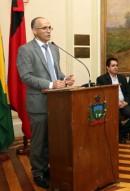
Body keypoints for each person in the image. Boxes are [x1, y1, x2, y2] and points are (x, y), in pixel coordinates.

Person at [16, 17, 75, 189]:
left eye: (50, 27)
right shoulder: (25, 50)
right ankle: (38, 172)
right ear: (34, 31)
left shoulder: (54, 49)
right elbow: (25, 76)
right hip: (38, 104)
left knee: (52, 139)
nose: (49, 31)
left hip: (56, 105)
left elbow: (55, 71)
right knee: (39, 141)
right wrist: (50, 85)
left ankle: (47, 167)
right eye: (44, 28)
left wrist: (64, 78)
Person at [96, 57, 130, 143]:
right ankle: (119, 136)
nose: (116, 67)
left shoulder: (122, 78)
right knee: (116, 118)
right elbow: (102, 96)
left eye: (116, 65)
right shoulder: (101, 79)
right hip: (111, 105)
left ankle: (120, 134)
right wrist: (115, 102)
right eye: (113, 66)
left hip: (123, 104)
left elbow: (128, 93)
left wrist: (126, 102)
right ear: (107, 68)